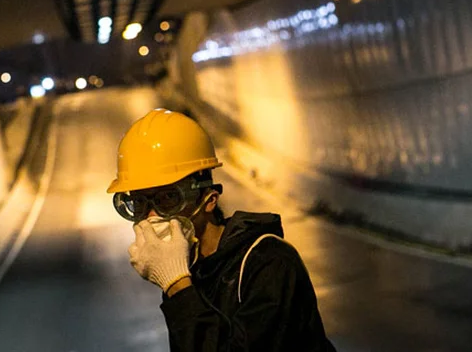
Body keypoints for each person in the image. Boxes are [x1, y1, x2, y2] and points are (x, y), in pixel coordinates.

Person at [107, 108, 336, 351]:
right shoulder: (189, 268)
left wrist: (177, 287)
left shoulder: (268, 263)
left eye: (167, 199)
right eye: (140, 203)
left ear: (209, 199)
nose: (152, 216)